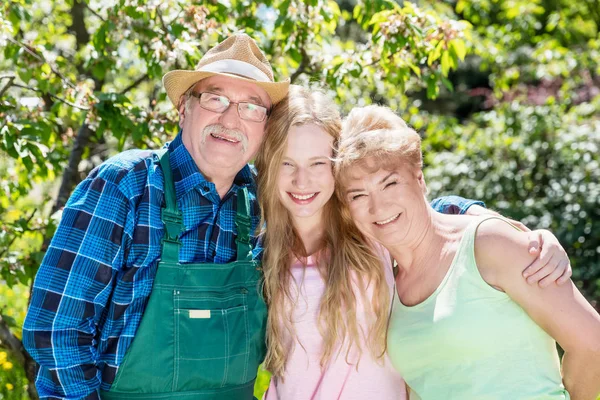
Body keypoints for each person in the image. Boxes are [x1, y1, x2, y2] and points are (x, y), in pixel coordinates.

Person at [256, 86, 574, 399]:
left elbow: (432, 216)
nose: (302, 180)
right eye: (287, 162)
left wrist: (524, 234)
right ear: (270, 164)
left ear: (339, 168)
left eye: (318, 163)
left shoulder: (369, 235)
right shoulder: (263, 258)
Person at [23, 34, 289, 400]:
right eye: (216, 98)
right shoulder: (126, 185)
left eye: (251, 107)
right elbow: (56, 328)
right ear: (184, 107)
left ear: (265, 126)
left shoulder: (267, 203)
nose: (230, 119)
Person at [335, 104, 600, 400]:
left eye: (390, 183)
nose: (378, 206)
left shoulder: (489, 242)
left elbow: (592, 346)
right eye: (359, 195)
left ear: (419, 180)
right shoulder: (385, 288)